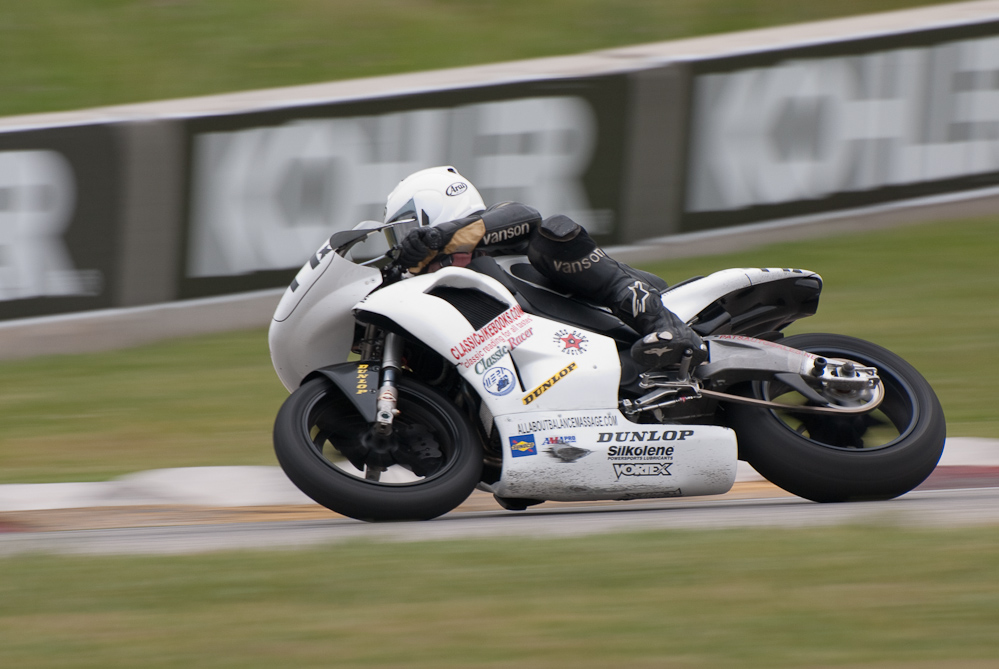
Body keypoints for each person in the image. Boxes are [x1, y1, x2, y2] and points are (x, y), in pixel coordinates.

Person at [385, 166, 706, 369]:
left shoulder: (493, 227)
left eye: (406, 231)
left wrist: (438, 237)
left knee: (553, 234)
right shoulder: (434, 288)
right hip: (555, 363)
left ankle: (667, 326)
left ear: (433, 211)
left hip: (623, 304)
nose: (404, 244)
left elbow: (526, 215)